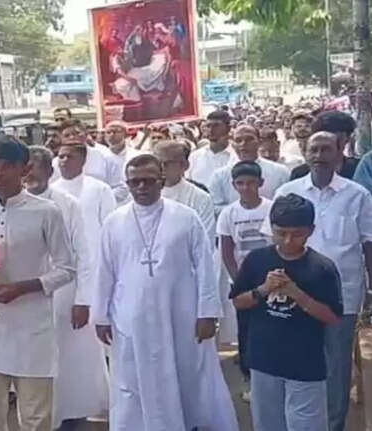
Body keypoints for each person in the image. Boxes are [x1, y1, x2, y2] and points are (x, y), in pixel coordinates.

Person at [93, 154, 238, 431]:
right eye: (135, 182)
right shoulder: (114, 221)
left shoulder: (185, 217)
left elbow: (206, 265)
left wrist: (208, 313)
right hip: (130, 317)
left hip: (179, 315)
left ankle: (187, 423)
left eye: (148, 181)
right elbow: (105, 270)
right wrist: (100, 315)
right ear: (127, 184)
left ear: (161, 181)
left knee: (185, 373)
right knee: (133, 379)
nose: (142, 188)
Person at [265, 131, 372, 431]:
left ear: (340, 151)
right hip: (292, 292)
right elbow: (273, 243)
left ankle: (333, 425)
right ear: (305, 152)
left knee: (336, 363)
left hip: (342, 294)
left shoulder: (357, 194)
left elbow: (370, 242)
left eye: (326, 149)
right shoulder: (288, 192)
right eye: (313, 149)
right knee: (293, 359)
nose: (319, 155)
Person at [0, 135, 75, 431]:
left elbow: (66, 268)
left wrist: (23, 287)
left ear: (24, 169)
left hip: (31, 325)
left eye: (7, 166)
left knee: (37, 420)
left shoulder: (46, 211)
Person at [232, 194, 343, 430]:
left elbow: (332, 317)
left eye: (297, 234)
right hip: (263, 361)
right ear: (271, 228)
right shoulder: (256, 260)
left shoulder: (321, 268)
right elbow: (238, 302)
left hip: (305, 365)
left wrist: (296, 293)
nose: (288, 240)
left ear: (310, 231)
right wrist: (263, 289)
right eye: (281, 233)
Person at [25, 146, 109, 430]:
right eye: (26, 168)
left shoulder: (67, 203)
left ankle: (72, 420)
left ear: (50, 172)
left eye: (36, 168)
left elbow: (83, 254)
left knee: (71, 366)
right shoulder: (13, 204)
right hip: (27, 299)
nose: (30, 175)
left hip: (66, 297)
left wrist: (83, 300)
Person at [216, 161, 273, 401]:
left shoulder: (271, 209)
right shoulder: (229, 213)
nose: (246, 188)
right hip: (242, 282)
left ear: (260, 183)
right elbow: (227, 249)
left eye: (251, 183)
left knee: (272, 328)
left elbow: (276, 244)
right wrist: (238, 280)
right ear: (234, 185)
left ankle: (272, 377)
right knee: (247, 332)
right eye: (240, 183)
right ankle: (251, 380)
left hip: (270, 279)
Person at [209, 124, 290, 215]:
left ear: (259, 142)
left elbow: (287, 204)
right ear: (232, 144)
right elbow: (215, 207)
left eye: (249, 139)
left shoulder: (280, 172)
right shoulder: (219, 176)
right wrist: (243, 212)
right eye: (238, 140)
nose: (243, 144)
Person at [51, 119, 123, 192]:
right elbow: (52, 189)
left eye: (76, 133)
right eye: (67, 135)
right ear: (61, 139)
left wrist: (101, 198)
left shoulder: (105, 156)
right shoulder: (56, 163)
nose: (72, 137)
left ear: (86, 134)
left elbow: (121, 187)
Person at [290, 111, 360, 180]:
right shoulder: (300, 174)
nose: (330, 143)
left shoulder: (360, 169)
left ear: (347, 138)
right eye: (323, 138)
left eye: (336, 139)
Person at [187, 110, 235, 188]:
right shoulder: (195, 156)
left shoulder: (235, 156)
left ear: (228, 128)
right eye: (208, 126)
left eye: (216, 126)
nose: (211, 130)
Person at [101, 120, 140, 204]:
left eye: (116, 131)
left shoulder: (136, 155)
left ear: (125, 134)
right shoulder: (100, 157)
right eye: (108, 132)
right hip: (108, 202)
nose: (112, 134)